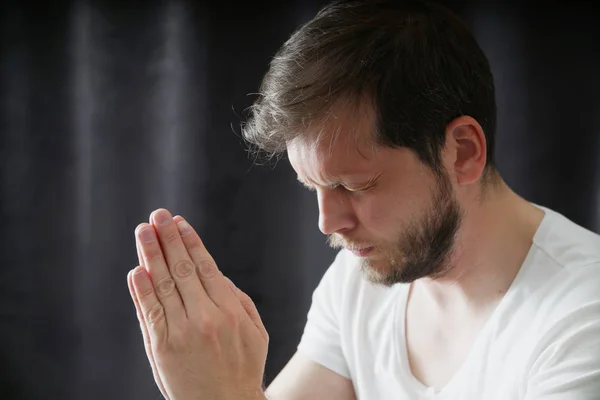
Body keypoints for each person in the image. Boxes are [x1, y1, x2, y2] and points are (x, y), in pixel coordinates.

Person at [127, 0, 600, 399]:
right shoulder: (360, 282)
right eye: (312, 188)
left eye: (354, 186)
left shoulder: (583, 317)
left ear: (462, 152)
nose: (328, 223)